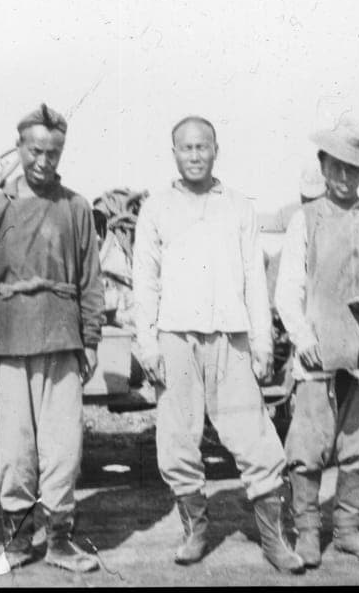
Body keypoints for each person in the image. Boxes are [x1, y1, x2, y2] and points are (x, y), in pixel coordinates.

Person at [132, 116, 305, 574]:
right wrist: (147, 345)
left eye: (202, 147)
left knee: (256, 438)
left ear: (215, 150)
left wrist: (262, 341)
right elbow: (144, 281)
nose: (194, 155)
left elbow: (253, 280)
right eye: (185, 148)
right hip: (175, 340)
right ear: (174, 153)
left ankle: (275, 538)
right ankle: (195, 530)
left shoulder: (239, 208)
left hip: (231, 340)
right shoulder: (157, 208)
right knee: (176, 441)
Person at [0, 103, 104, 575]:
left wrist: (90, 339)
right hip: (10, 341)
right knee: (15, 451)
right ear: (19, 148)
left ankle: (61, 542)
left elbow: (90, 279)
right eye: (35, 151)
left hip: (63, 340)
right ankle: (17, 541)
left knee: (64, 449)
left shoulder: (76, 206)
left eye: (53, 152)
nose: (44, 162)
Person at [275, 118, 359, 568]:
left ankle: (349, 530)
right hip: (318, 352)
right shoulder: (305, 220)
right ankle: (309, 531)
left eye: (354, 170)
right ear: (323, 165)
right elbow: (288, 288)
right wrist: (301, 336)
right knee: (309, 446)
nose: (345, 178)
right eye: (337, 167)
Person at [263, 162, 326, 233]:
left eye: (315, 199)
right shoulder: (284, 215)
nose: (310, 205)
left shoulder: (337, 219)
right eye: (307, 198)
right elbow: (270, 238)